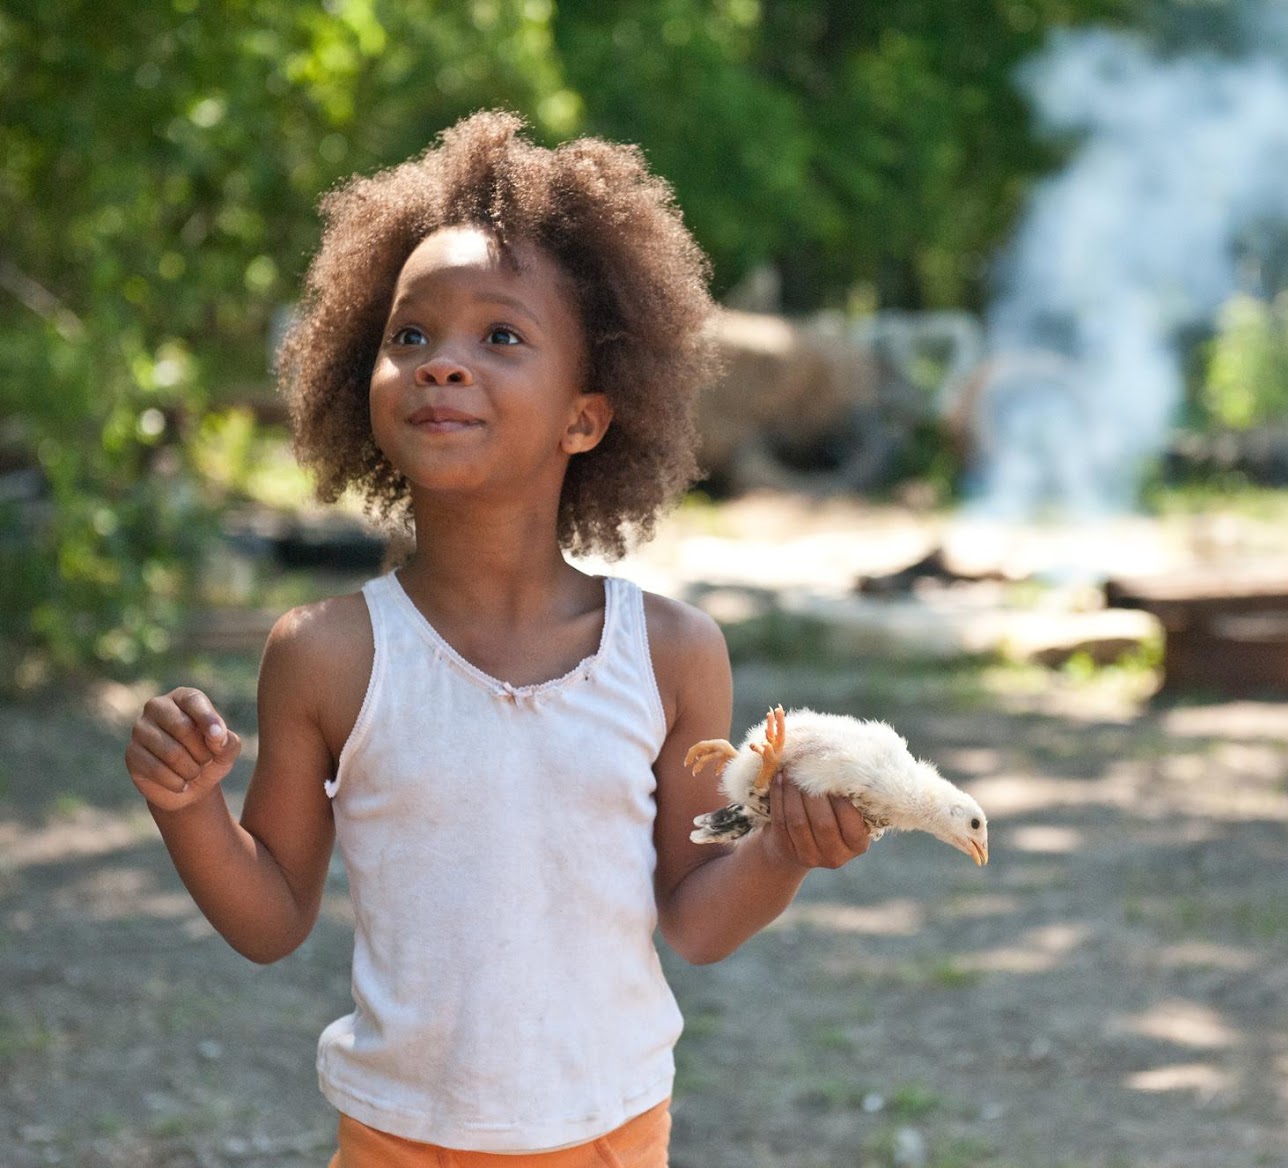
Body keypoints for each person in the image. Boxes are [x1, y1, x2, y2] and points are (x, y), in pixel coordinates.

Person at [123, 110, 873, 1167]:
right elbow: (272, 915)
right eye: (410, 335)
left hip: (613, 1136)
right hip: (396, 1140)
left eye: (501, 336)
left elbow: (697, 917)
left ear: (585, 417)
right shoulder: (325, 654)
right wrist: (187, 807)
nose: (441, 363)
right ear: (363, 377)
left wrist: (786, 851)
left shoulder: (670, 653)